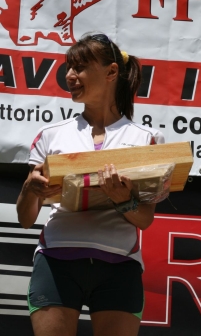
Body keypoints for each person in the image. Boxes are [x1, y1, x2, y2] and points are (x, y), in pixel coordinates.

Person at [16, 32, 165, 336]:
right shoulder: (51, 134)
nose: (70, 76)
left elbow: (145, 219)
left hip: (119, 266)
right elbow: (25, 219)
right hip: (56, 260)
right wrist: (30, 189)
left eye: (80, 67)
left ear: (111, 72)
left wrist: (123, 200)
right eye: (68, 68)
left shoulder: (146, 140)